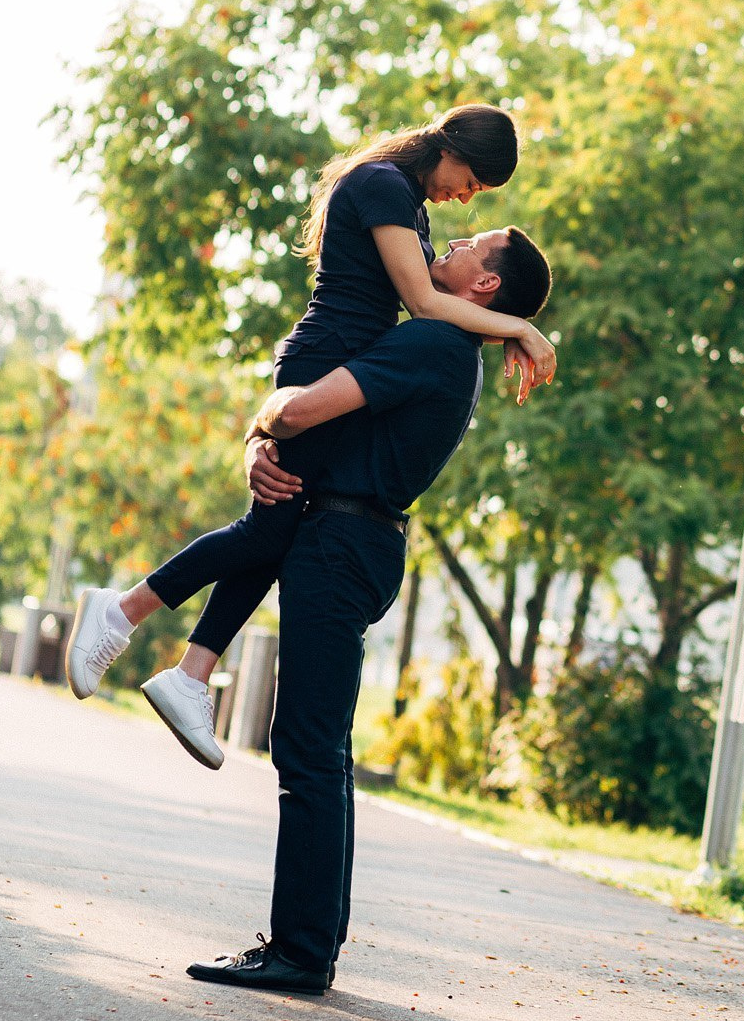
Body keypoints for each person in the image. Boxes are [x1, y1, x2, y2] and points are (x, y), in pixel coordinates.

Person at [62, 106, 554, 765]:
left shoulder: (409, 204)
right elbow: (427, 303)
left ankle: (188, 675)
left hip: (340, 366)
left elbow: (432, 303)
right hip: (324, 361)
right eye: (474, 182)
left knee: (278, 524)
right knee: (268, 529)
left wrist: (507, 324)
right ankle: (123, 613)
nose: (467, 196)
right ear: (454, 149)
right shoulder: (384, 185)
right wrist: (519, 328)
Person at [187, 240, 544, 994]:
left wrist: (265, 419)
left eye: (467, 247)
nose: (446, 243)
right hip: (362, 540)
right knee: (324, 748)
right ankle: (312, 940)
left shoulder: (433, 341)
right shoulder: (454, 350)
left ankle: (301, 950)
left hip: (339, 543)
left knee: (308, 747)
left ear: (483, 283)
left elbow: (304, 409)